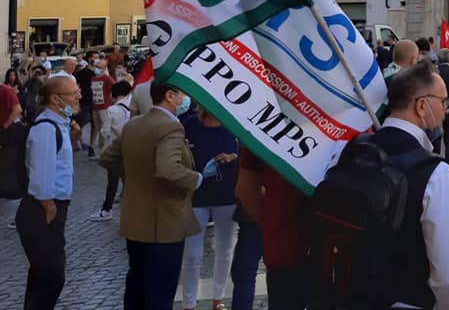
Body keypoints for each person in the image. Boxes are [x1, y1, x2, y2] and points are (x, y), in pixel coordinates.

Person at [354, 60, 449, 309]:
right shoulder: (437, 175)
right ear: (422, 105)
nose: (445, 110)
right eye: (443, 102)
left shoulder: (354, 151)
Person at [99, 82, 202, 310]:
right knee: (160, 289)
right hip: (164, 221)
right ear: (170, 96)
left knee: (137, 281)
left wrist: (134, 177)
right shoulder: (171, 127)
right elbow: (168, 169)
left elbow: (107, 157)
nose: (186, 99)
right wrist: (197, 178)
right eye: (182, 93)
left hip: (135, 219)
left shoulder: (134, 124)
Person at [16, 74, 82, 310]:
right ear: (55, 99)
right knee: (52, 278)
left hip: (50, 209)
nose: (78, 96)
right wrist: (50, 209)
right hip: (42, 211)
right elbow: (41, 176)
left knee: (41, 277)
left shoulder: (59, 124)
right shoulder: (46, 128)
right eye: (73, 93)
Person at [180, 106, 240, 310]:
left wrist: (232, 158)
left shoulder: (233, 125)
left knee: (224, 249)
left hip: (226, 195)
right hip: (196, 196)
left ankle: (218, 298)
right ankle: (189, 303)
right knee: (192, 253)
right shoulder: (190, 125)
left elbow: (246, 155)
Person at [235, 149, 310, 310]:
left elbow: (245, 189)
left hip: (283, 246)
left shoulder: (265, 133)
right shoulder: (357, 127)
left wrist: (272, 221)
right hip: (340, 252)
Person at [90, 80, 132, 220]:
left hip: (115, 149)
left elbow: (105, 131)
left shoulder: (112, 110)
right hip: (129, 147)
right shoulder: (132, 105)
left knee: (112, 181)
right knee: (129, 181)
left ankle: (107, 209)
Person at [89, 59, 114, 155]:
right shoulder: (93, 78)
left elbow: (114, 88)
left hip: (105, 107)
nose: (97, 69)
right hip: (95, 107)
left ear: (104, 69)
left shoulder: (107, 79)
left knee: (105, 130)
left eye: (100, 67)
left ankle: (105, 151)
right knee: (99, 129)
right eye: (96, 66)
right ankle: (102, 148)